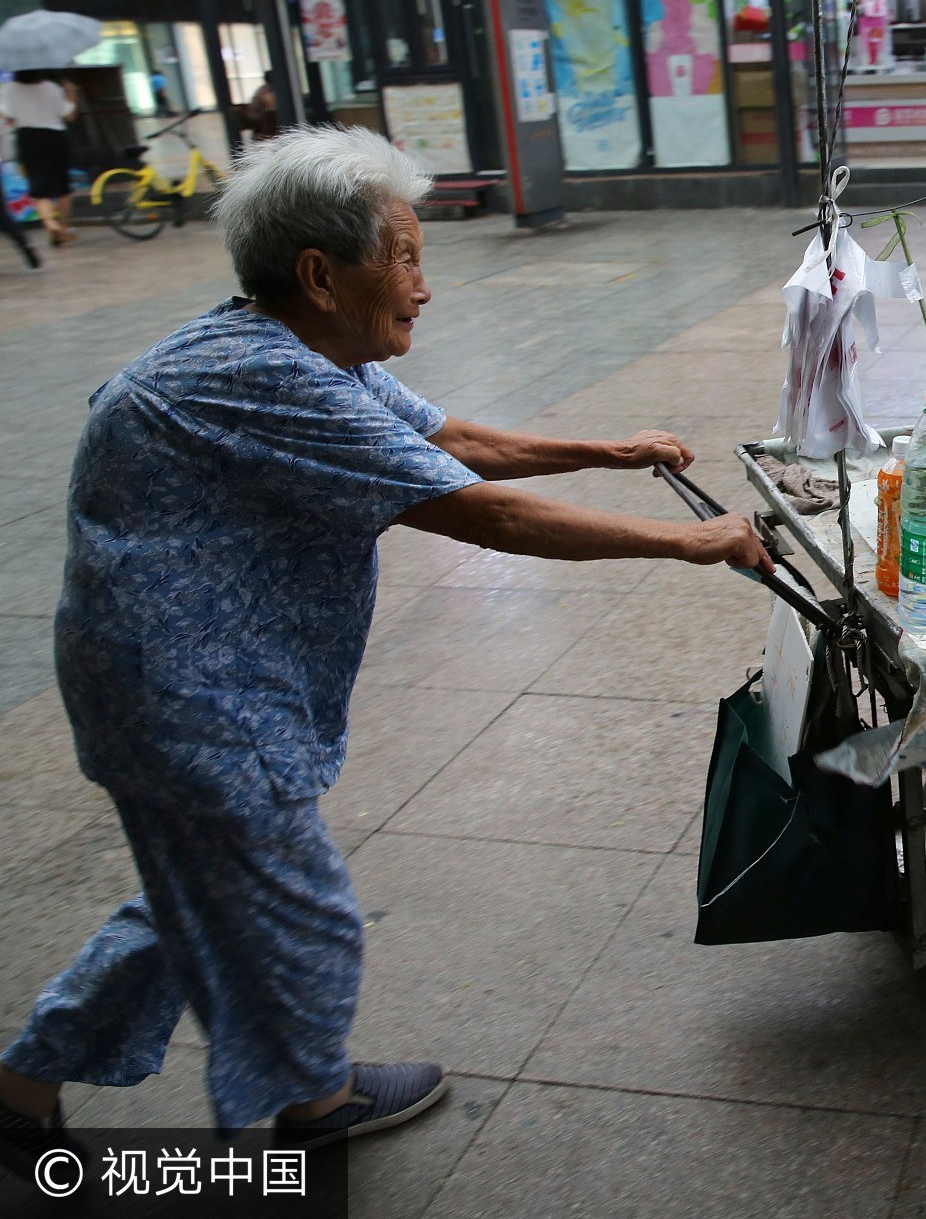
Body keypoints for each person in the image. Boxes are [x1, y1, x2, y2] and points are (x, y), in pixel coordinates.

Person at [0, 126, 773, 1166]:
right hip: (185, 693)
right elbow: (478, 512)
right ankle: (314, 1105)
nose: (423, 284)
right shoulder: (265, 377)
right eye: (404, 256)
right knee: (304, 913)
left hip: (188, 677)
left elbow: (448, 440)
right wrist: (692, 540)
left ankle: (20, 1091)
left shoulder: (302, 347)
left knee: (202, 899)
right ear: (321, 274)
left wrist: (613, 449)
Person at [0, 69, 81, 247]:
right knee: (62, 186)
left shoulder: (9, 89)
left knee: (38, 187)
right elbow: (70, 115)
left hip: (28, 137)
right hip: (55, 137)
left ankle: (50, 224)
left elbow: (5, 114)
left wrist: (19, 117)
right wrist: (71, 92)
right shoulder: (51, 88)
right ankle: (64, 229)